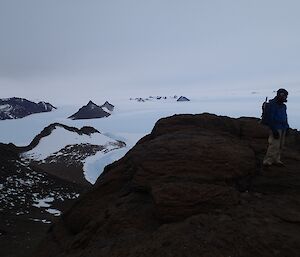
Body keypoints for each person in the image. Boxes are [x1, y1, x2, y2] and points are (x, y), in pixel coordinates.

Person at [263, 88, 289, 167]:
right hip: (275, 127)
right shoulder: (272, 105)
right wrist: (273, 129)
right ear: (278, 95)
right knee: (274, 144)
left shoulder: (283, 106)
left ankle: (276, 159)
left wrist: (287, 127)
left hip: (283, 127)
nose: (284, 97)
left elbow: (285, 117)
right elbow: (269, 118)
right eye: (282, 95)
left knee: (281, 145)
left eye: (285, 95)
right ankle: (268, 161)